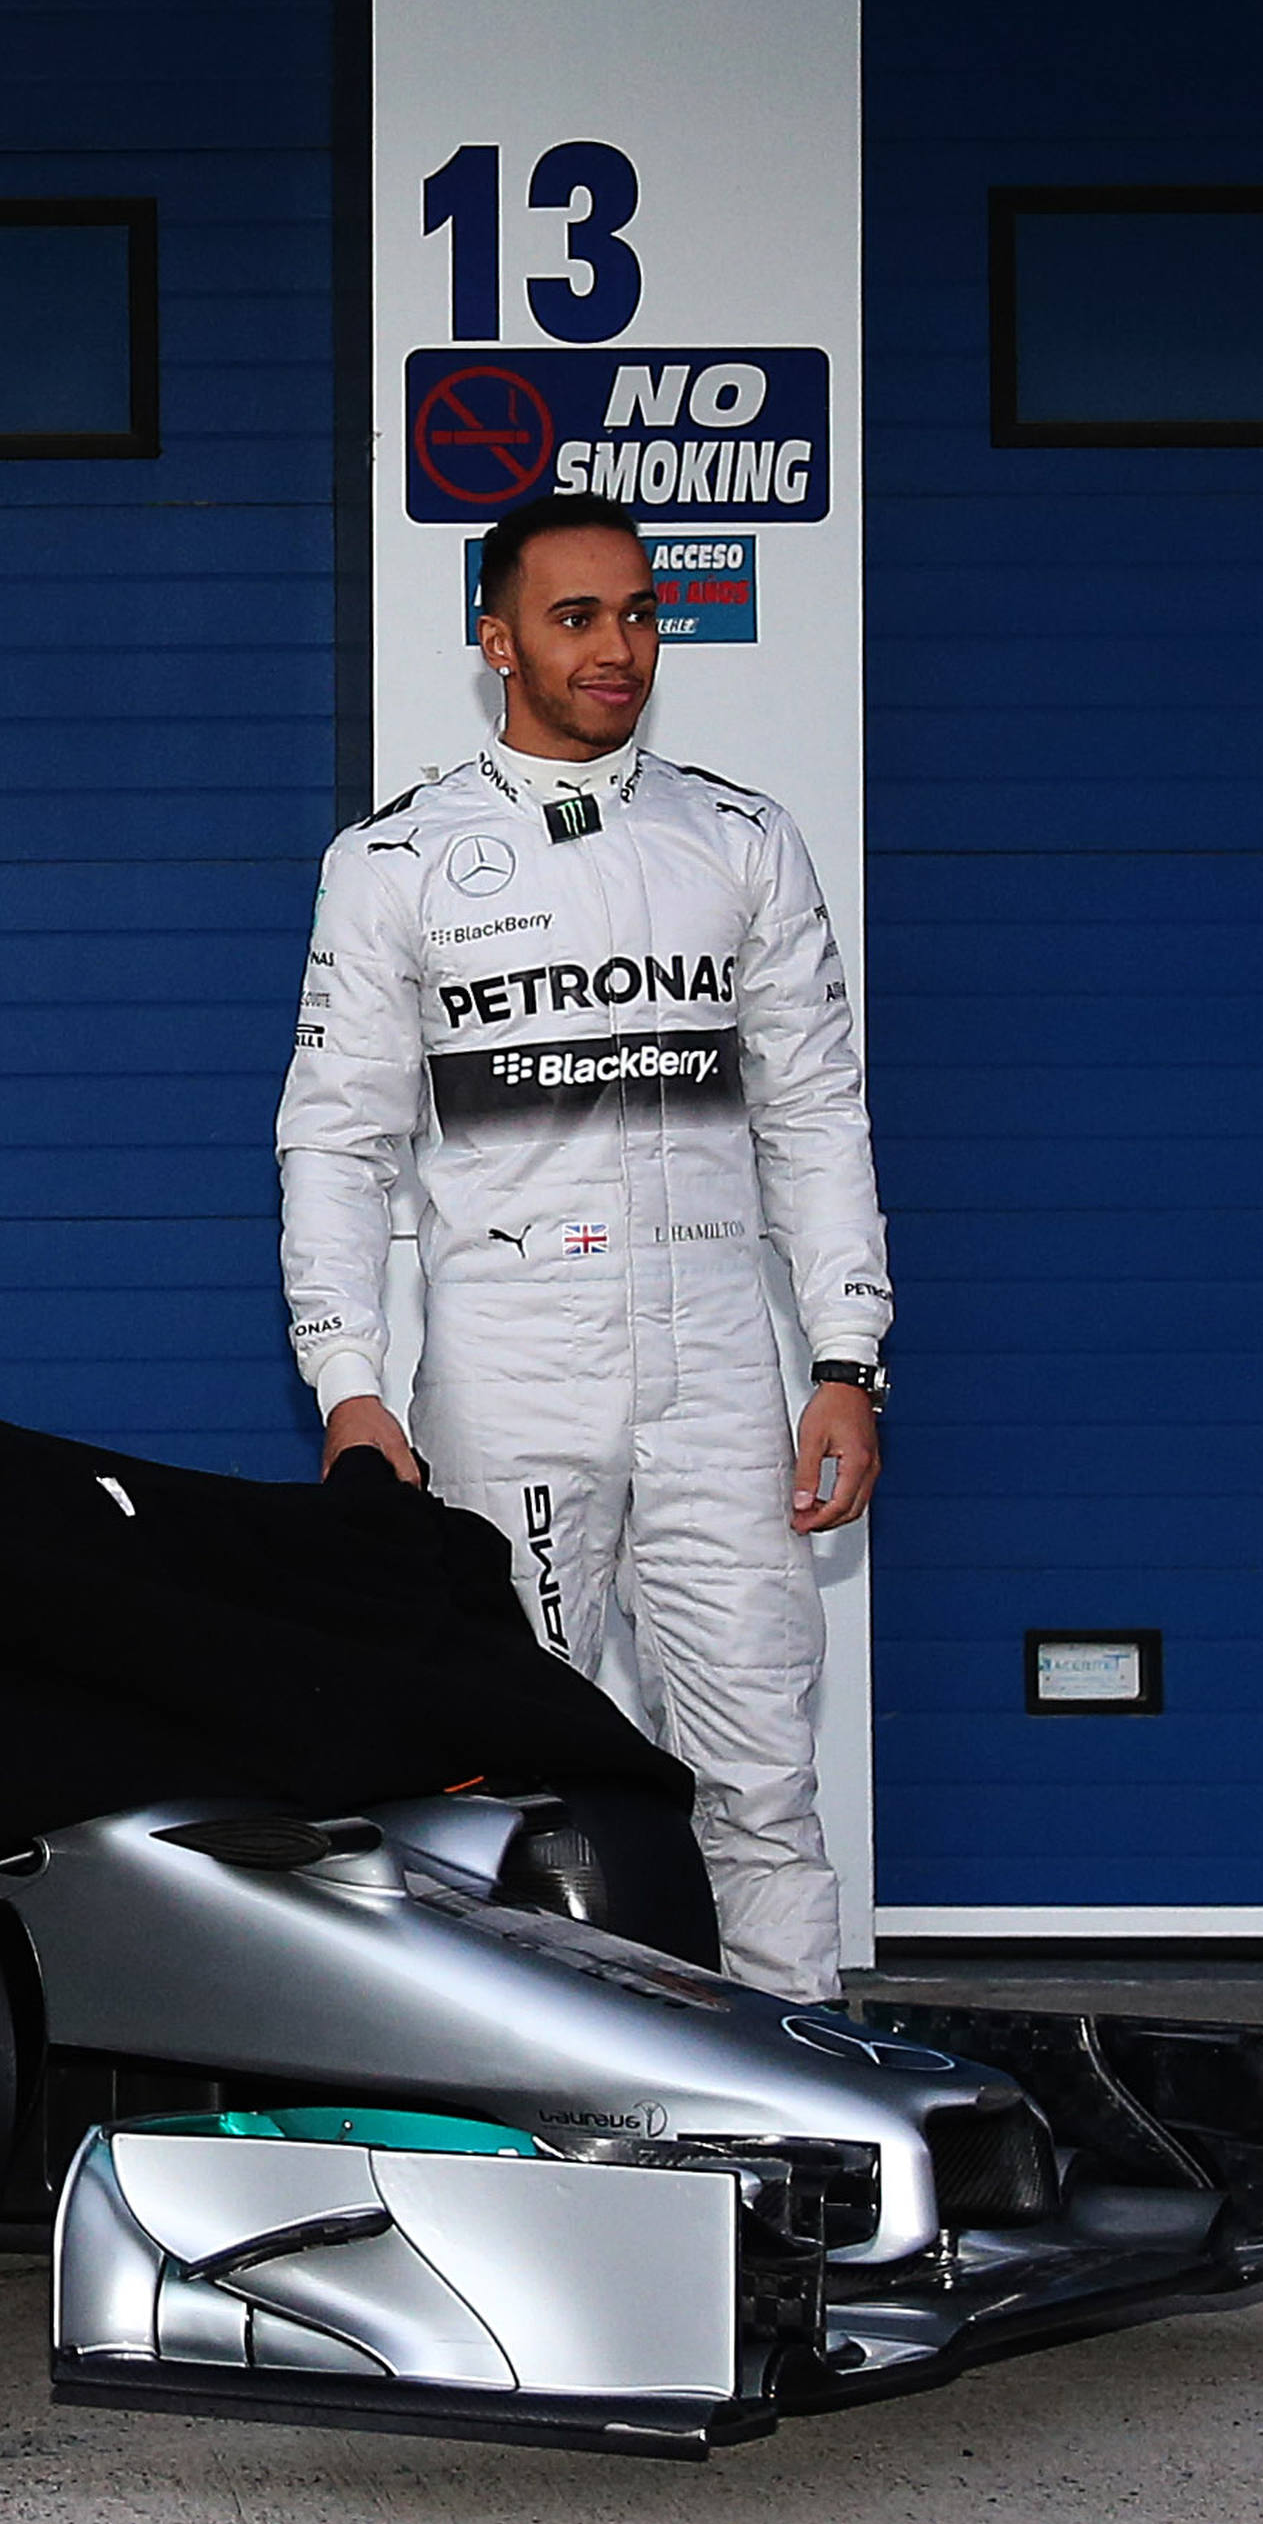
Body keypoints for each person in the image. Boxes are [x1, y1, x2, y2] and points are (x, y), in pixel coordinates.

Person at [276, 487, 894, 2004]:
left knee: (759, 1772)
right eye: (575, 618)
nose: (618, 648)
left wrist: (844, 1358)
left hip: (720, 1372)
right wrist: (350, 1384)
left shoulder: (740, 839)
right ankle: (533, 2100)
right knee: (512, 1780)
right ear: (497, 642)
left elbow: (815, 1112)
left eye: (638, 614)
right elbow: (335, 1141)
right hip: (513, 1369)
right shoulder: (397, 859)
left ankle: (793, 2097)